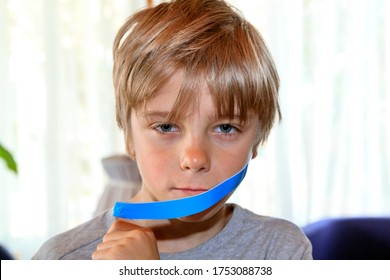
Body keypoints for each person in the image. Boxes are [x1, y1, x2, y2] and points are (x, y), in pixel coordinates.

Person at [33, 0, 312, 260]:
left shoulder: (281, 251)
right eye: (166, 126)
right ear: (129, 136)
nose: (194, 159)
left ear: (257, 140)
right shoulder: (61, 258)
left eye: (226, 128)